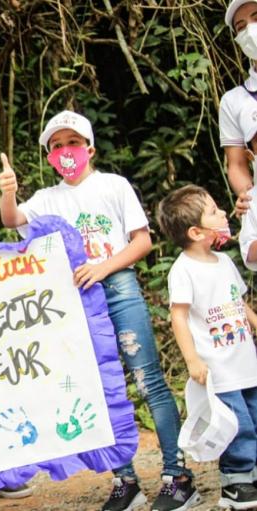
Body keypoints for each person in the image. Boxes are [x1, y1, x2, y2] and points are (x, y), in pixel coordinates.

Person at [0, 111, 196, 511]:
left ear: (89, 148)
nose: (65, 151)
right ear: (49, 155)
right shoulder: (47, 199)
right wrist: (7, 190)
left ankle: (178, 476)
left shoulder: (113, 185)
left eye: (72, 142)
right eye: (56, 146)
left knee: (148, 382)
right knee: (101, 389)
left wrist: (103, 267)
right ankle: (125, 481)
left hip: (118, 287)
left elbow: (141, 242)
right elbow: (11, 220)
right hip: (76, 302)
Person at [157, 184, 257, 509]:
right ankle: (236, 482)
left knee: (254, 417)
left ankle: (251, 475)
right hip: (218, 369)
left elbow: (238, 303)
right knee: (237, 425)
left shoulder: (224, 263)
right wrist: (192, 361)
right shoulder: (183, 270)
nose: (224, 213)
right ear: (196, 231)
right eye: (214, 211)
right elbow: (179, 317)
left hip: (246, 363)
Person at [220, 0, 257, 216]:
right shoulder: (233, 100)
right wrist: (249, 198)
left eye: (256, 17)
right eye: (241, 27)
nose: (250, 30)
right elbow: (236, 164)